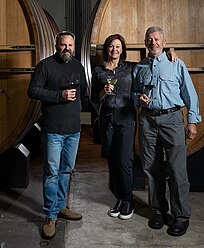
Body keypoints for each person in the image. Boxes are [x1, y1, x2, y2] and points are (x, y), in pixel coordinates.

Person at [91, 34, 177, 220]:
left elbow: (151, 62)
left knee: (125, 161)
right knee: (112, 161)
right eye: (111, 46)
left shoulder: (131, 67)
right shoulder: (99, 71)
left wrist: (170, 52)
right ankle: (120, 198)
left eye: (118, 47)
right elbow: (93, 99)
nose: (114, 50)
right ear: (107, 49)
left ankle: (128, 200)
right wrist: (103, 93)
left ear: (122, 50)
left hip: (126, 119)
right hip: (106, 120)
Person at [133, 26, 202, 236]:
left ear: (164, 42)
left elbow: (190, 94)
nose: (153, 42)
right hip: (148, 120)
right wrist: (139, 98)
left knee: (177, 170)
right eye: (149, 39)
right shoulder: (140, 67)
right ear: (145, 42)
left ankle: (181, 216)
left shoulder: (176, 64)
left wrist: (192, 121)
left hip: (172, 119)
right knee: (151, 168)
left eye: (156, 39)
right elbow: (134, 92)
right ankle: (159, 211)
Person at [28, 31, 87, 239]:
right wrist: (59, 96)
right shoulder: (45, 66)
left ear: (74, 46)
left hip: (73, 130)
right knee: (52, 173)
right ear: (56, 45)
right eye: (63, 45)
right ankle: (50, 215)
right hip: (53, 129)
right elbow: (33, 91)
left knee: (66, 171)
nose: (67, 49)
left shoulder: (78, 66)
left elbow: (85, 93)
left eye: (70, 45)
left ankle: (61, 206)